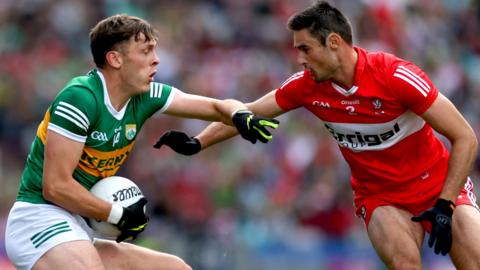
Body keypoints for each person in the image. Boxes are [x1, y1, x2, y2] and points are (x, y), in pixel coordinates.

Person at [154, 1, 480, 269]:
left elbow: (465, 137)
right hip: (381, 197)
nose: (300, 58)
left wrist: (445, 204)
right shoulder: (305, 86)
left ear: (334, 42)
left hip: (438, 185)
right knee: (404, 263)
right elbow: (244, 113)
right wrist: (198, 142)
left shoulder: (397, 76)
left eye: (306, 48)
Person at [4, 14, 279, 270]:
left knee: (176, 268)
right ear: (115, 59)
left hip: (81, 226)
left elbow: (218, 107)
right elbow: (55, 187)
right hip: (39, 220)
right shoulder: (80, 98)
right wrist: (117, 214)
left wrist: (239, 114)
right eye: (146, 51)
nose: (157, 60)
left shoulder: (146, 95)